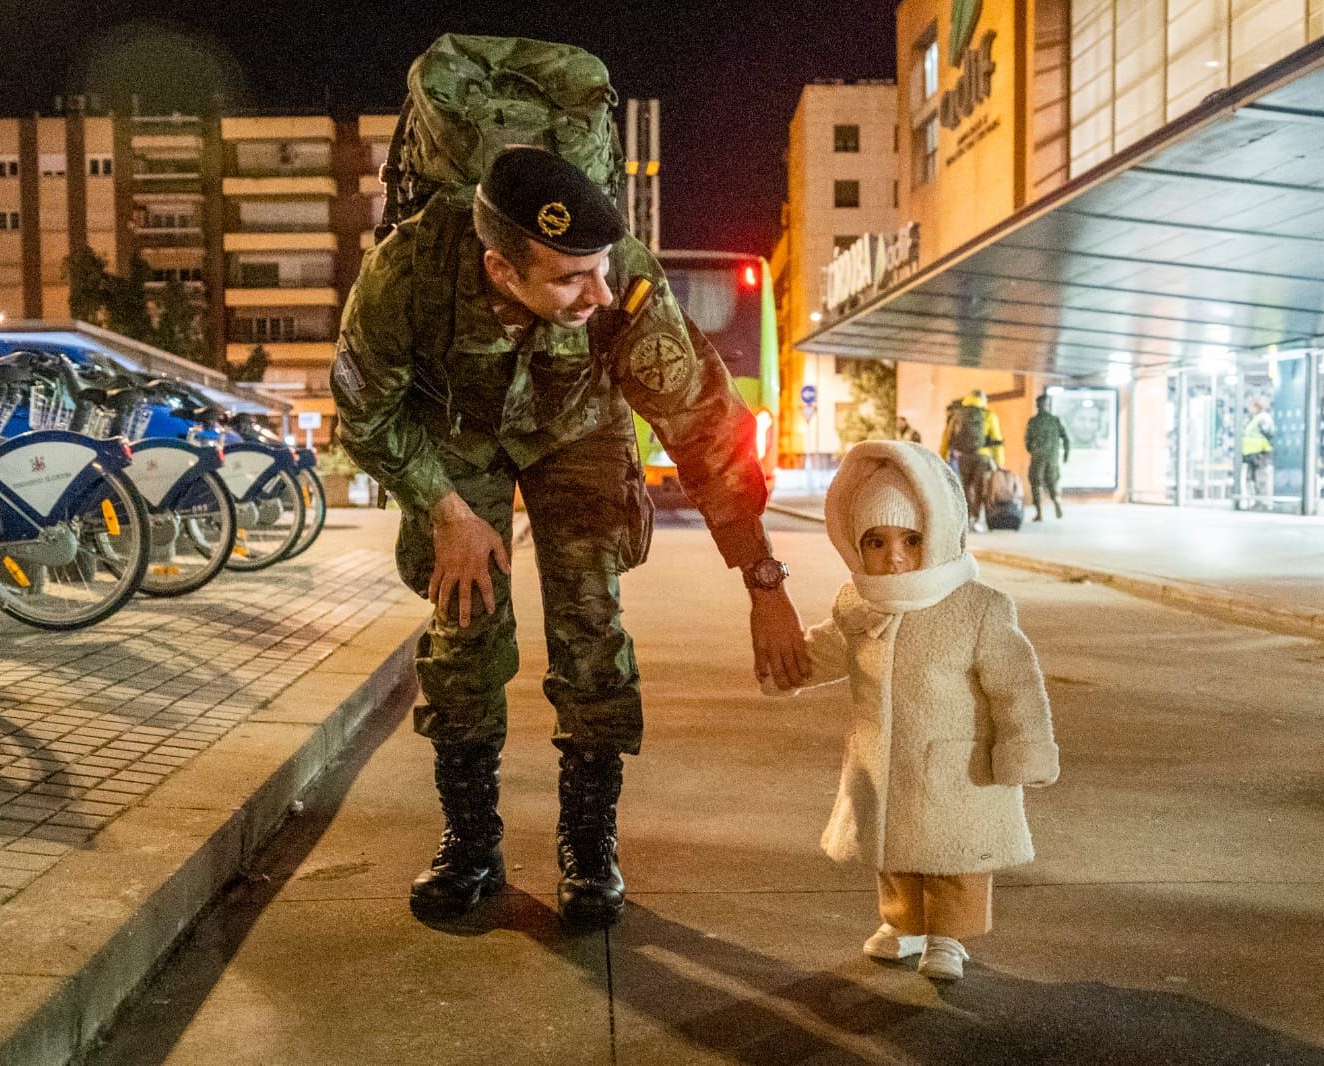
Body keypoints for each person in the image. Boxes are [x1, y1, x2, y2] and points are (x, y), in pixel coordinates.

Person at [332, 146, 810, 929]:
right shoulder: (406, 274)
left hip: (580, 430)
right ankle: (472, 844)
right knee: (463, 628)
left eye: (600, 268)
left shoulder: (623, 283)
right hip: (458, 436)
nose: (599, 291)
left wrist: (765, 582)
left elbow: (706, 429)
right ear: (500, 269)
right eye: (568, 278)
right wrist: (441, 508)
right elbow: (364, 412)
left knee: (591, 627)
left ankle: (589, 850)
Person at [767, 441, 1059, 981]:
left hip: (958, 765)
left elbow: (1015, 683)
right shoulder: (860, 605)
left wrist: (1024, 745)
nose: (894, 556)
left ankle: (949, 937)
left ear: (939, 535)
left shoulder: (978, 608)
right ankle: (905, 926)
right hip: (884, 758)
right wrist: (787, 664)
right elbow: (832, 647)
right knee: (893, 848)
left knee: (954, 856)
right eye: (874, 542)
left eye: (911, 539)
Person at [940, 393, 1000, 532]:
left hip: (963, 456)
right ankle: (976, 518)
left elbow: (947, 437)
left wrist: (942, 456)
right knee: (979, 488)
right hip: (982, 456)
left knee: (965, 487)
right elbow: (996, 439)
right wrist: (999, 460)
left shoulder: (958, 415)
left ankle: (966, 518)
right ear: (983, 400)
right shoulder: (988, 415)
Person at [1024, 393, 1071, 522]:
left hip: (1037, 457)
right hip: (1052, 458)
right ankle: (1056, 501)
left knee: (1036, 484)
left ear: (1037, 405)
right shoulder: (1055, 420)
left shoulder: (1033, 421)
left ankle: (1039, 514)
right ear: (1047, 405)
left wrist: (1032, 451)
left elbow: (1027, 441)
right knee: (1053, 482)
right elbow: (1066, 438)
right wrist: (1066, 454)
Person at [1240, 398, 1275, 508]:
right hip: (1251, 454)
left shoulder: (1263, 418)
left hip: (1260, 454)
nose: (1250, 409)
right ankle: (1255, 501)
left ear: (1257, 406)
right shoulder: (1254, 419)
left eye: (1252, 406)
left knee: (1260, 479)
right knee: (1251, 479)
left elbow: (1269, 434)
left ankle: (1262, 503)